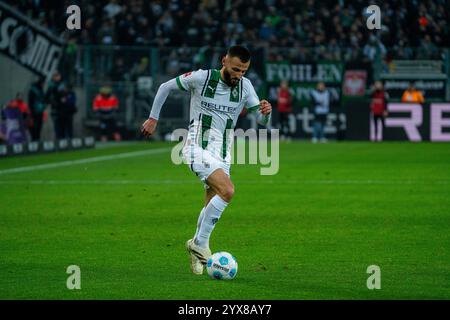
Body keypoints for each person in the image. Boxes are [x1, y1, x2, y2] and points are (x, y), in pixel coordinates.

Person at [141, 45, 272, 275]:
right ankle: (200, 244)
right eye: (235, 69)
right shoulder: (202, 78)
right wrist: (153, 118)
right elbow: (165, 87)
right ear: (224, 61)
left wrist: (266, 112)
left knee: (211, 201)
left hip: (223, 153)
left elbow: (261, 122)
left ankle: (196, 246)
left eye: (243, 71)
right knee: (228, 191)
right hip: (196, 148)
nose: (238, 75)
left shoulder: (245, 86)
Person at [28, 77, 47, 141]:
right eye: (43, 83)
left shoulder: (41, 90)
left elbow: (43, 100)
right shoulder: (33, 90)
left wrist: (44, 105)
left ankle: (37, 142)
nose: (44, 85)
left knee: (38, 128)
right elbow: (30, 102)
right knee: (34, 129)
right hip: (34, 113)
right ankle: (34, 142)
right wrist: (32, 113)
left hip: (40, 112)